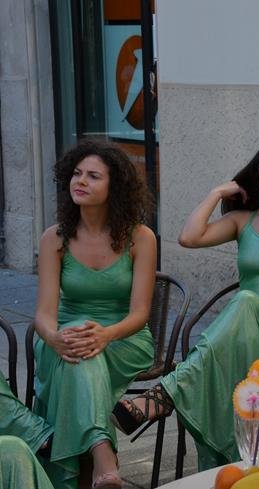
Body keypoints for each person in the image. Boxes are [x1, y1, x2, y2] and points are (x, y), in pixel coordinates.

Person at [112, 133, 259, 469]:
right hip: (244, 335)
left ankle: (165, 395)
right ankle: (234, 464)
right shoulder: (243, 220)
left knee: (246, 300)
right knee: (234, 339)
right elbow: (189, 238)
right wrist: (217, 192)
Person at [32, 140, 157, 489]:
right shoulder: (54, 238)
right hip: (64, 340)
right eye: (76, 173)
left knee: (83, 351)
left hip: (124, 338)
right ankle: (103, 456)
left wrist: (106, 334)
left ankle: (87, 466)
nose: (81, 181)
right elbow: (43, 315)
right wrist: (54, 338)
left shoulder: (141, 238)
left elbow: (140, 313)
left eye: (93, 176)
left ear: (114, 187)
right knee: (80, 349)